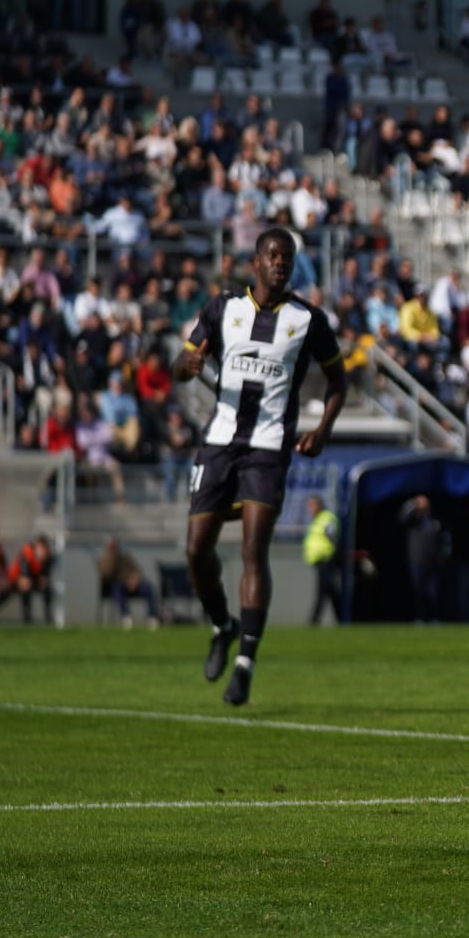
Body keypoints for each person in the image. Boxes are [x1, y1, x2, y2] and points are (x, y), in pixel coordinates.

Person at [174, 228, 348, 705]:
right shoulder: (222, 309)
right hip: (219, 443)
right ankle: (222, 624)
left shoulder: (307, 319)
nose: (280, 264)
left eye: (287, 258)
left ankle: (246, 662)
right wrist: (184, 365)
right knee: (196, 550)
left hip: (270, 448)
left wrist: (324, 429)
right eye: (273, 255)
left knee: (254, 548)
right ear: (255, 261)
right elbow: (183, 360)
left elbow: (339, 380)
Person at [398, 495, 446, 620]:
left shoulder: (435, 520)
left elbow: (444, 539)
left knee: (433, 593)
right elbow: (402, 516)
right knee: (417, 592)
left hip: (433, 561)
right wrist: (413, 503)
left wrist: (443, 555)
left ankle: (435, 618)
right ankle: (418, 618)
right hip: (416, 560)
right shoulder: (413, 520)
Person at [96, 538, 160, 628]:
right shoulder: (103, 560)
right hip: (118, 586)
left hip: (134, 584)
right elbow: (107, 574)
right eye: (111, 547)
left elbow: (137, 570)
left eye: (114, 546)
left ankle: (151, 616)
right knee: (117, 588)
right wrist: (112, 558)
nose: (113, 548)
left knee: (148, 587)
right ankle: (126, 617)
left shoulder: (126, 558)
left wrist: (134, 579)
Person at [302, 496, 340, 626]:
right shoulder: (317, 519)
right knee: (329, 591)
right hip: (319, 561)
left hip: (325, 559)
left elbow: (333, 537)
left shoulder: (326, 518)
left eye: (312, 505)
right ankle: (341, 618)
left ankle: (314, 620)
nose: (310, 508)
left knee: (322, 591)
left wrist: (335, 555)